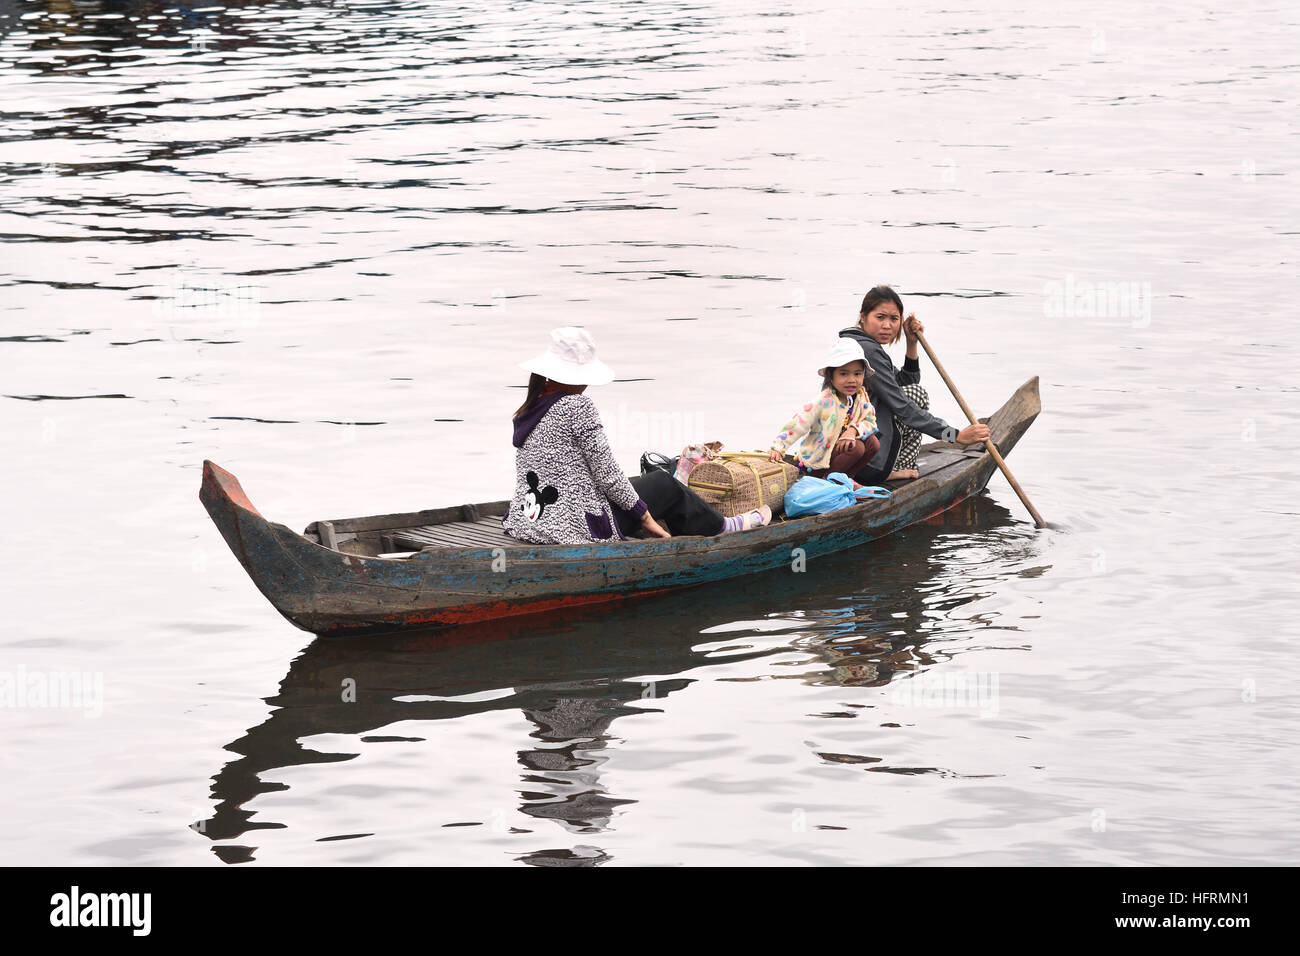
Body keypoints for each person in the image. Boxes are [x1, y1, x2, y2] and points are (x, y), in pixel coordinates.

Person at [503, 327, 772, 545]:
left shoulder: (530, 408)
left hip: (529, 520)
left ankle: (693, 523)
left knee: (639, 485)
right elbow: (608, 476)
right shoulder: (577, 407)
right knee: (664, 483)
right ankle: (722, 527)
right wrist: (643, 517)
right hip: (571, 527)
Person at [839, 286, 989, 484]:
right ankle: (897, 467)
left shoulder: (859, 343)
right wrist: (955, 435)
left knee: (913, 394)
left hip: (853, 452)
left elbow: (903, 383)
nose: (887, 325)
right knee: (916, 396)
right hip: (865, 464)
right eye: (880, 317)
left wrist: (911, 343)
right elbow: (904, 406)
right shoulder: (867, 350)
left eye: (894, 319)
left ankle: (896, 464)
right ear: (863, 317)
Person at [766, 339, 882, 480]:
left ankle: (847, 479)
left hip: (841, 457)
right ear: (831, 376)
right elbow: (797, 424)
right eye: (844, 374)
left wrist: (853, 430)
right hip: (817, 463)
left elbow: (871, 422)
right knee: (856, 447)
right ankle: (827, 482)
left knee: (873, 443)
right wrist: (778, 447)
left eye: (857, 374)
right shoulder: (823, 401)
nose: (852, 380)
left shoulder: (860, 398)